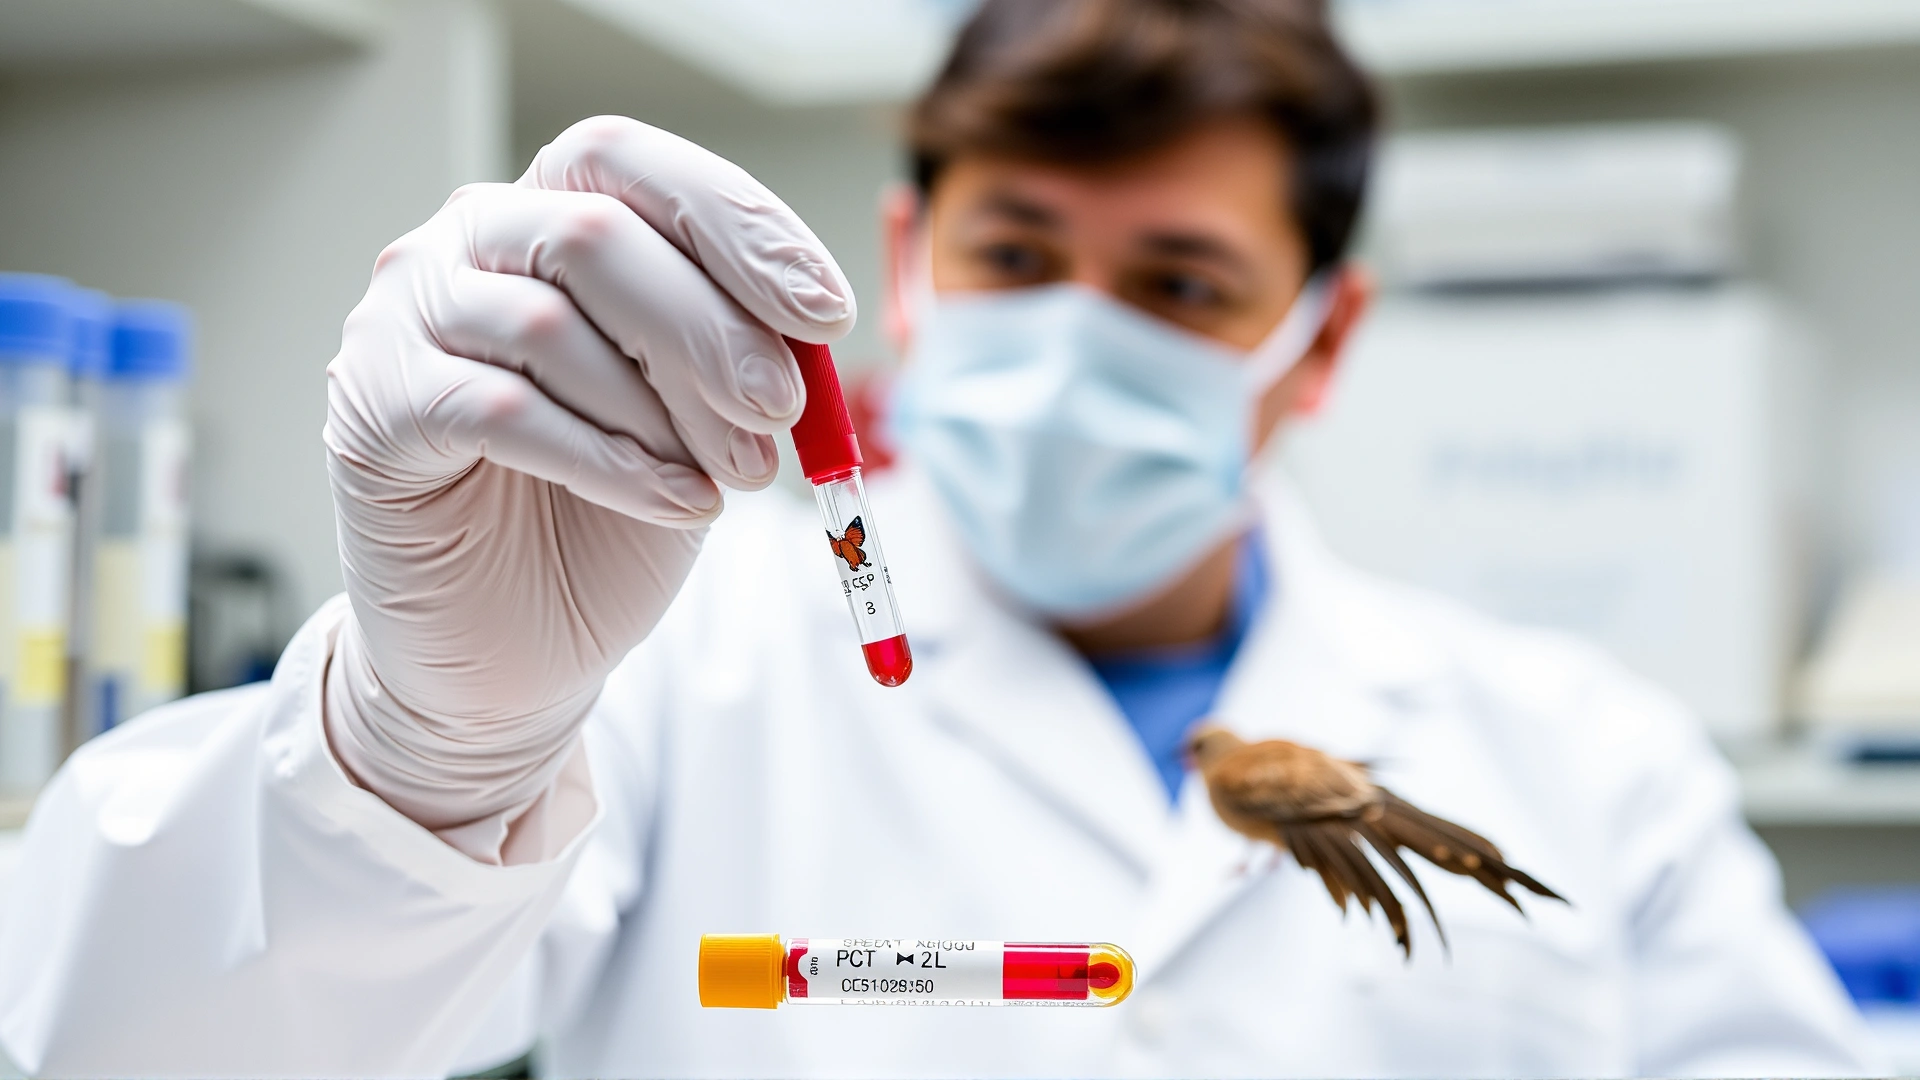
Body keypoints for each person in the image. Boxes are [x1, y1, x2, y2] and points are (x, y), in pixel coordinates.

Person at [0, 1, 1875, 1076]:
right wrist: (419, 748)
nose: (1077, 338)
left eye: (1181, 282)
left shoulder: (1582, 759)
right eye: (1015, 256)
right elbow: (136, 1050)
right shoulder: (668, 662)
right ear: (900, 267)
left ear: (1322, 344)